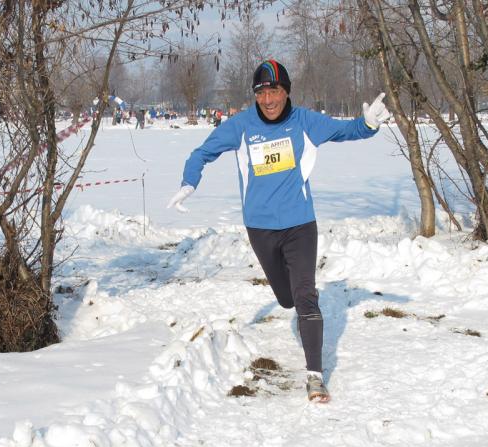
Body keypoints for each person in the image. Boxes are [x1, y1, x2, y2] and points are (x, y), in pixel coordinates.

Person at [167, 59, 390, 402]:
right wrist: (188, 182)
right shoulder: (240, 126)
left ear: (287, 92)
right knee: (286, 299)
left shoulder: (304, 122)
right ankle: (294, 302)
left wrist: (369, 124)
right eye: (262, 93)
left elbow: (346, 131)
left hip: (300, 224)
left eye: (275, 91)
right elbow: (202, 152)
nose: (268, 100)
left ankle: (315, 376)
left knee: (305, 296)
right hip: (260, 229)